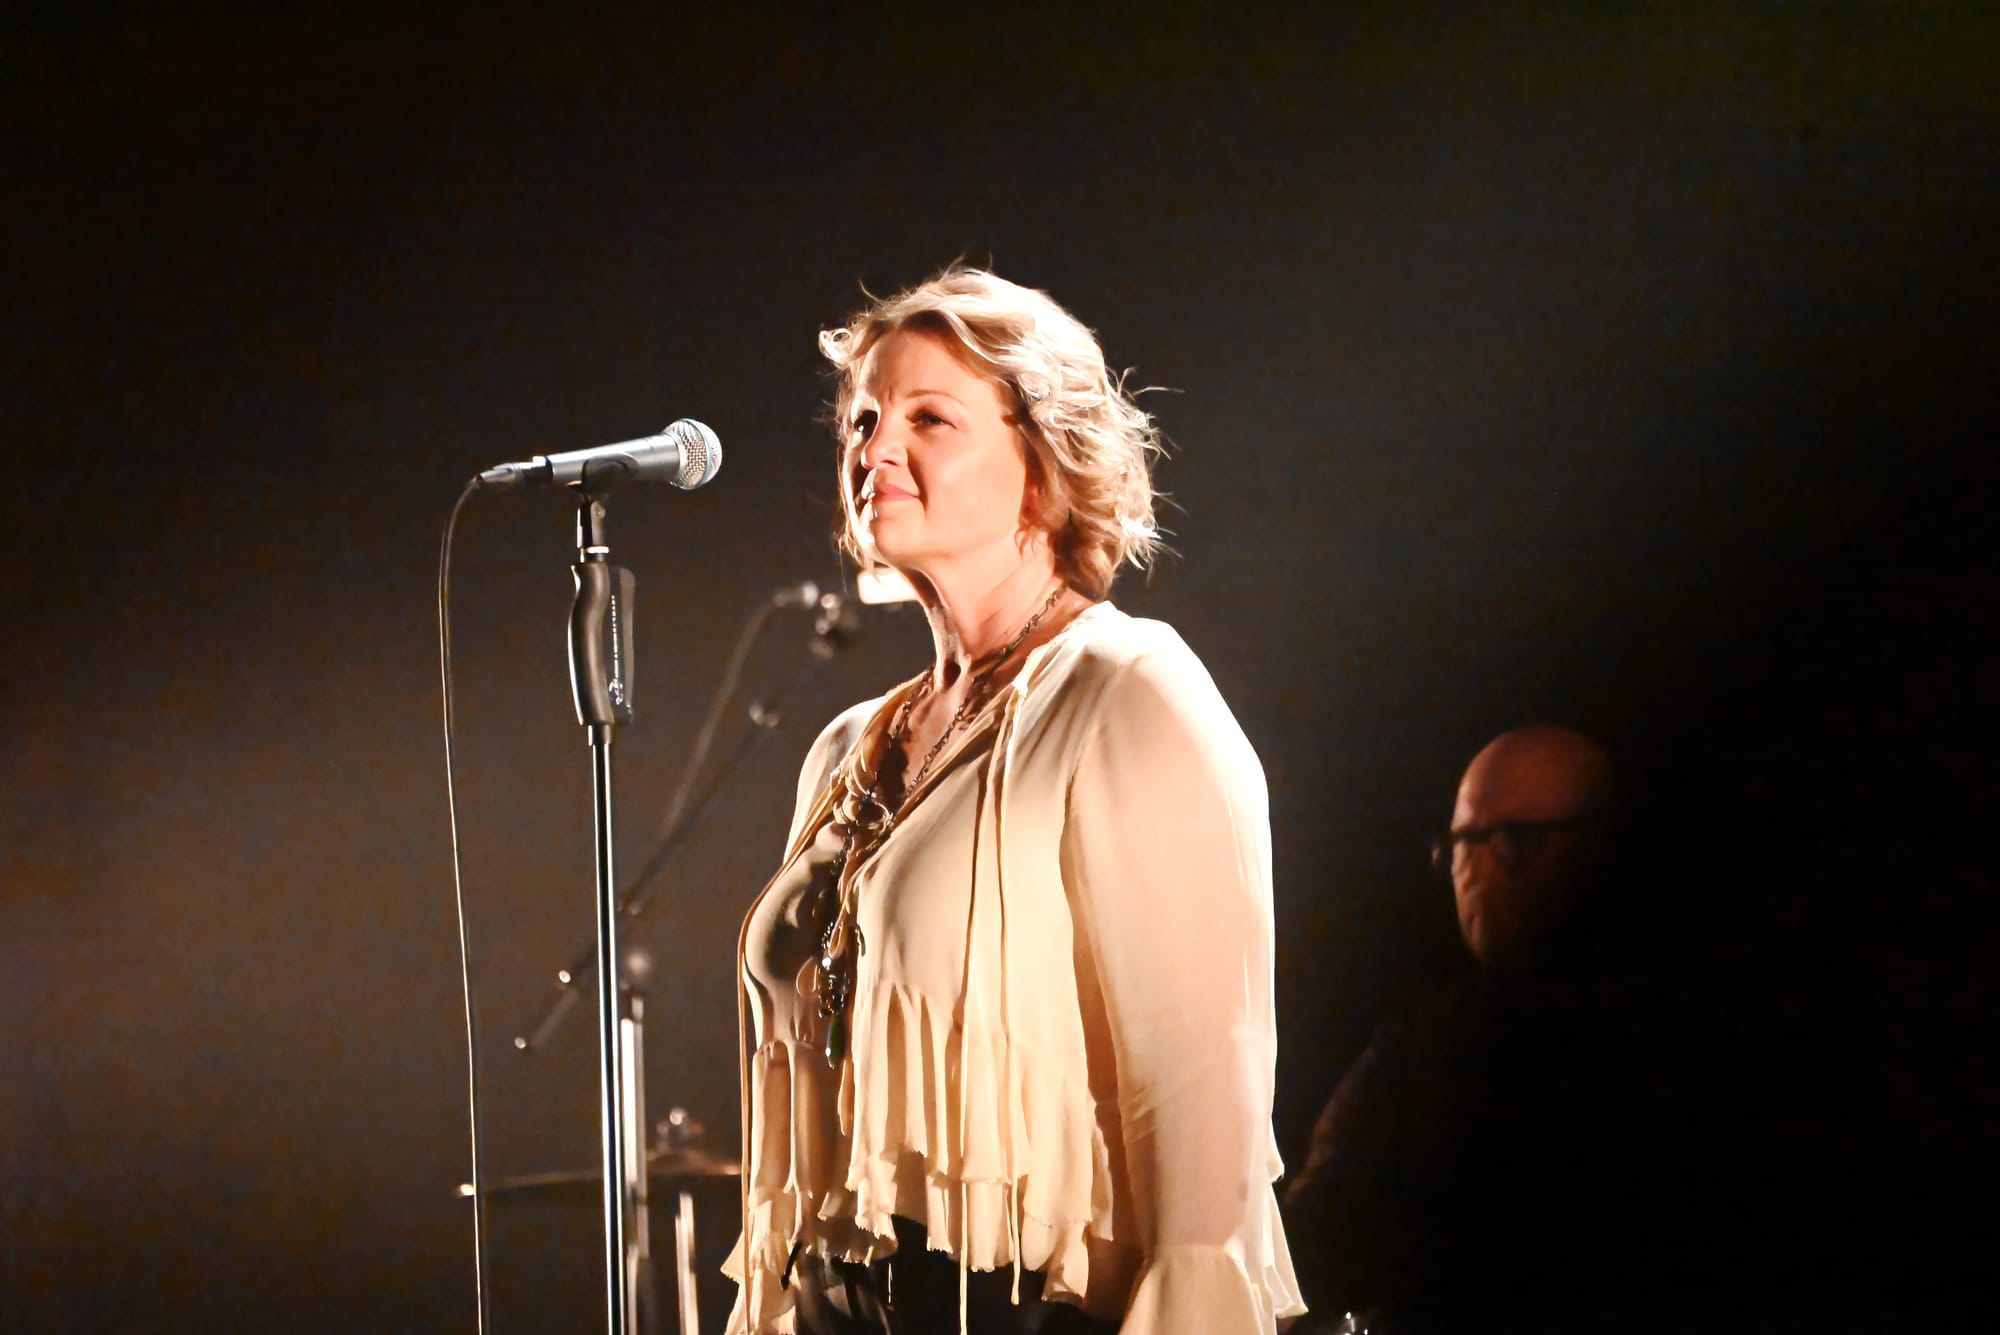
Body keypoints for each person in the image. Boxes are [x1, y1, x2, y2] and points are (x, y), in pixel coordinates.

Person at [726, 267, 1303, 1334]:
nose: (873, 450)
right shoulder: (846, 748)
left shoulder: (1128, 691)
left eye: (928, 418)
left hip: (1013, 1306)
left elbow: (1196, 1100)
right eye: (862, 420)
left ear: (1043, 466)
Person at [1281, 725, 1655, 1334]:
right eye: (1461, 844)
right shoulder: (1418, 1051)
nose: (1476, 869)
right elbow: (1320, 1245)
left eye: (1517, 839)